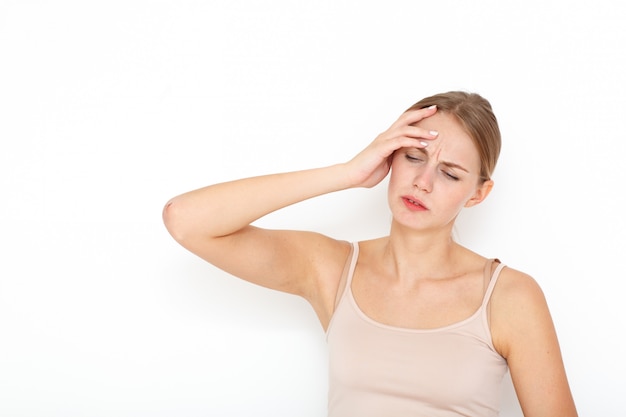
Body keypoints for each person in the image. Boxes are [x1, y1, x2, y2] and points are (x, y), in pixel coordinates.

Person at [162, 91, 578, 416]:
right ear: (389, 156)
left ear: (478, 194)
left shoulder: (510, 297)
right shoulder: (331, 269)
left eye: (449, 173)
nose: (422, 182)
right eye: (413, 156)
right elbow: (185, 220)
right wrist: (347, 173)